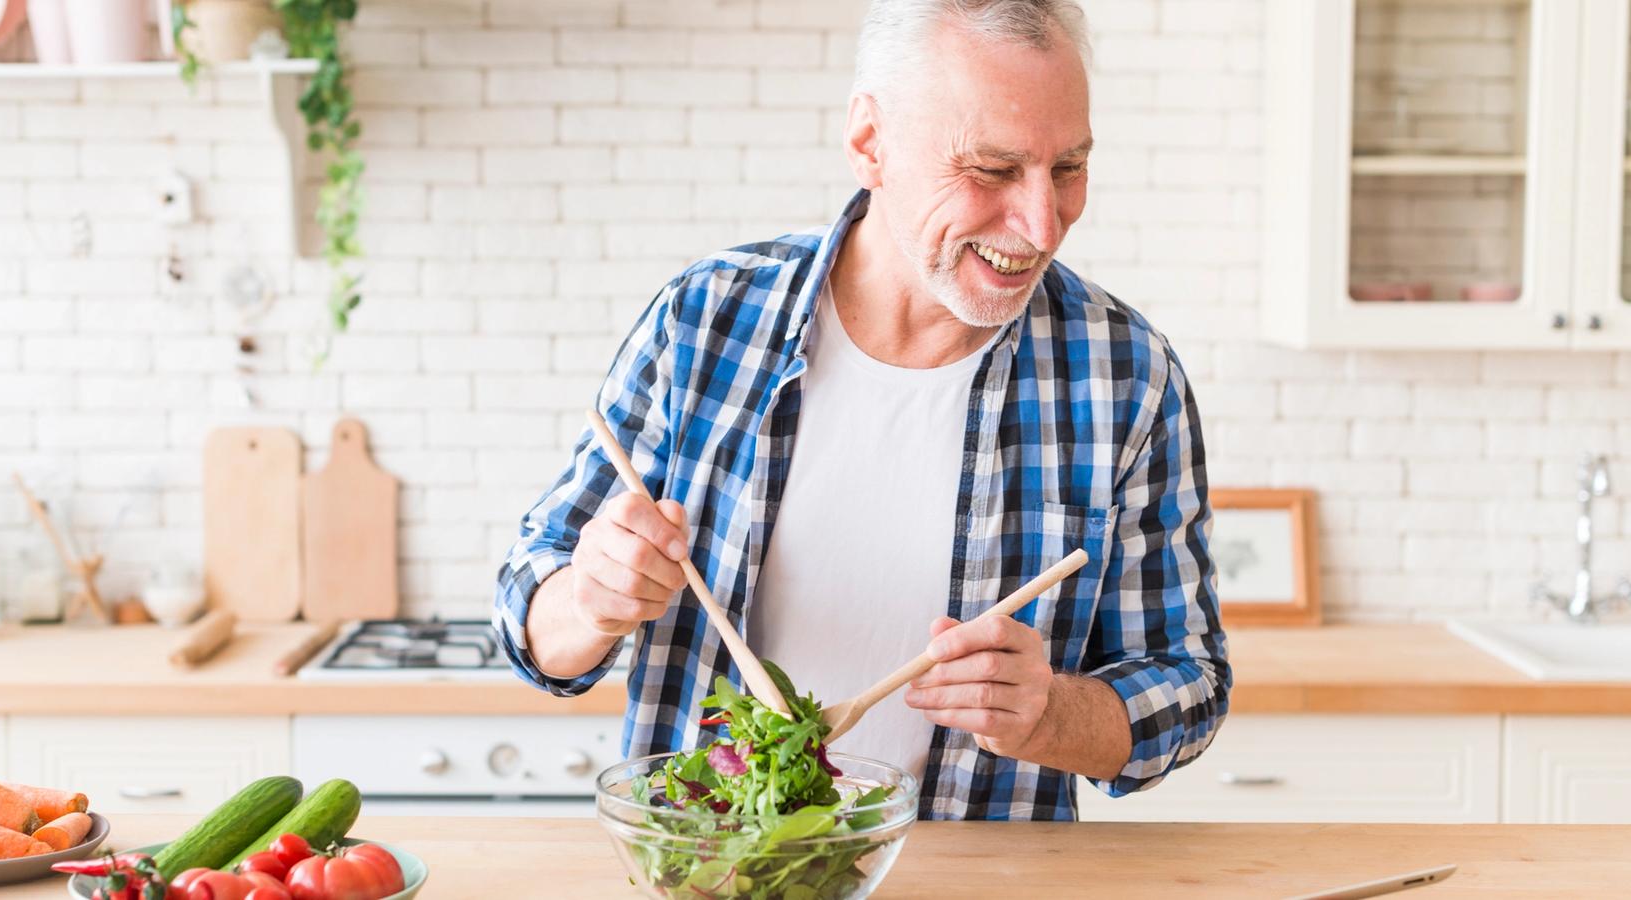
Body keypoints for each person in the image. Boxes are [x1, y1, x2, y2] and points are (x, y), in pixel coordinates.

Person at [492, 0, 1230, 821]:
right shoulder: (706, 318)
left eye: (1067, 169)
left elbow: (1187, 683)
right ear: (869, 143)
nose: (1041, 223)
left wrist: (1051, 714)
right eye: (991, 169)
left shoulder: (1125, 372)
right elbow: (534, 617)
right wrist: (590, 600)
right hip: (714, 867)